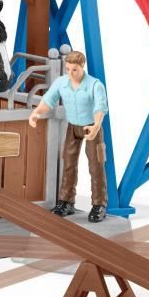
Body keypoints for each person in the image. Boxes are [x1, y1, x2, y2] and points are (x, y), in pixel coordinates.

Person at [29, 51, 108, 222]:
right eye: (68, 69)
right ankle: (66, 201)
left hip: (91, 128)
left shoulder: (95, 85)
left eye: (75, 70)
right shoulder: (61, 82)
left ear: (82, 66)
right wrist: (37, 113)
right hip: (72, 127)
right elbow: (48, 100)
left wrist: (96, 125)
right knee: (68, 163)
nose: (71, 73)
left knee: (96, 165)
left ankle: (99, 204)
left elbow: (100, 107)